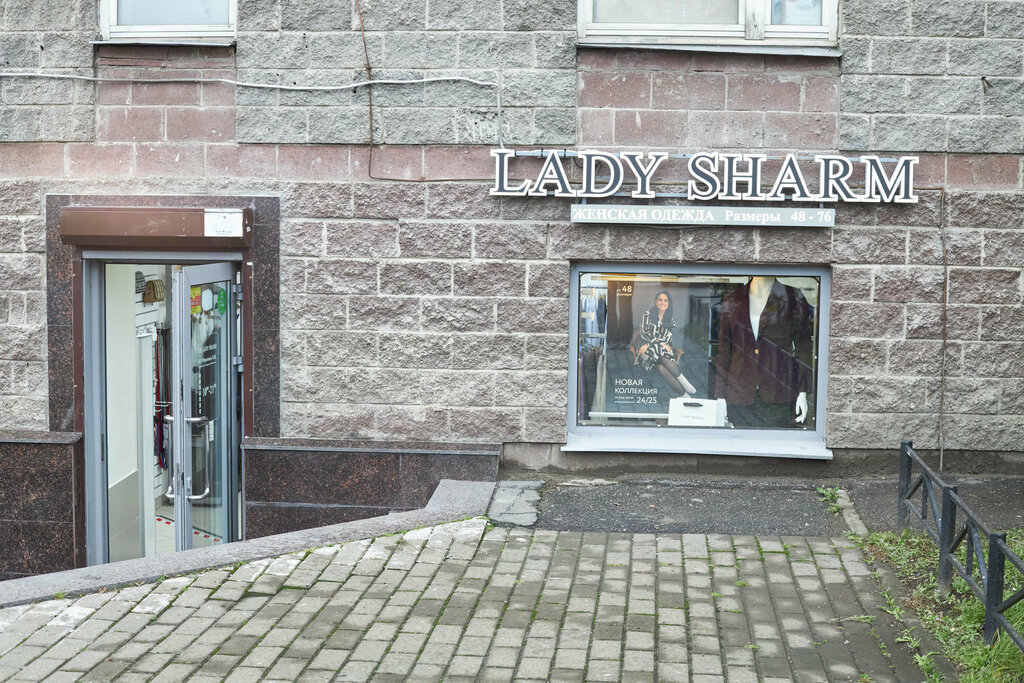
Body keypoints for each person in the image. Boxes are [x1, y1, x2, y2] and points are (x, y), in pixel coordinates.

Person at [714, 276, 813, 428]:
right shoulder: (734, 298)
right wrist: (720, 396)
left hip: (778, 391)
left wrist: (803, 391)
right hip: (740, 392)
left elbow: (803, 347)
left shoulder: (793, 297)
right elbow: (724, 350)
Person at [630, 290, 697, 397]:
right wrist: (658, 343)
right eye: (660, 300)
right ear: (656, 302)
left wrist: (656, 343)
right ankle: (682, 379)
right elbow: (645, 334)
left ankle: (683, 395)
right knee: (660, 348)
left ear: (669, 304)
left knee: (661, 368)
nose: (662, 302)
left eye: (665, 300)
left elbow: (666, 339)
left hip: (660, 353)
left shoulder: (671, 321)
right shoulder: (646, 316)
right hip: (646, 353)